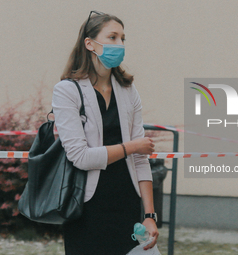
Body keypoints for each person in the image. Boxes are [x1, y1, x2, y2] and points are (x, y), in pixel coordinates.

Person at [51, 10, 159, 255]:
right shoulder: (67, 91)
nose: (119, 44)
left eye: (122, 38)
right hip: (85, 207)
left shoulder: (128, 90)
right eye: (112, 37)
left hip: (127, 206)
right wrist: (131, 147)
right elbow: (80, 156)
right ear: (90, 43)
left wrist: (150, 215)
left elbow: (141, 159)